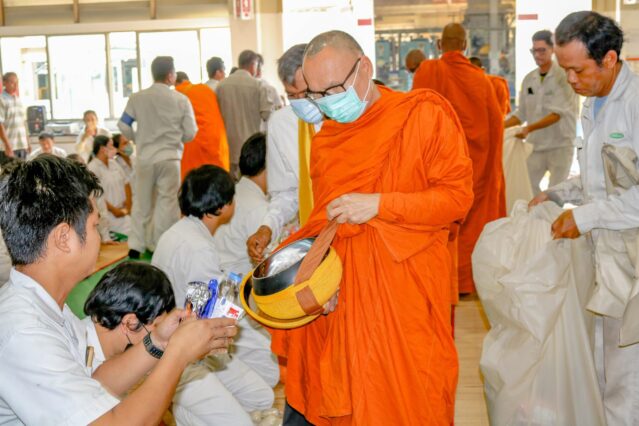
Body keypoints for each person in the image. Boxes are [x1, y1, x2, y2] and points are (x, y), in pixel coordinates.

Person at [270, 30, 473, 425]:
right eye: (317, 94)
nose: (328, 102)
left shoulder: (422, 114)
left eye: (334, 89)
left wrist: (380, 204)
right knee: (355, 400)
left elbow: (455, 199)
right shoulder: (327, 141)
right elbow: (323, 222)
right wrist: (317, 280)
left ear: (364, 67)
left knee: (412, 401)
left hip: (407, 296)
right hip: (347, 301)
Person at [0, 155, 236, 424]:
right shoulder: (23, 331)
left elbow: (96, 382)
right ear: (64, 238)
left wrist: (159, 342)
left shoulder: (45, 306)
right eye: (95, 226)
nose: (100, 237)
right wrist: (178, 354)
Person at [529, 12, 639, 426]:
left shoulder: (635, 105)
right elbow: (600, 178)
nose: (571, 80)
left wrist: (585, 217)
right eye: (566, 71)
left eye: (578, 70)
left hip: (633, 256)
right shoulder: (594, 101)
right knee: (603, 367)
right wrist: (559, 193)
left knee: (627, 377)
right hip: (607, 256)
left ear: (609, 59)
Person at [152, 165, 275, 418]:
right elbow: (210, 312)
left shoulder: (178, 232)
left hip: (183, 342)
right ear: (222, 207)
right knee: (256, 399)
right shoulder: (198, 247)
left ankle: (190, 404)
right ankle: (183, 405)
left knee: (262, 395)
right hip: (183, 354)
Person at [83, 261, 258, 425]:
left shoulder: (96, 337)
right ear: (130, 323)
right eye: (157, 325)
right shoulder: (83, 364)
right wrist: (178, 353)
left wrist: (163, 342)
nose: (161, 331)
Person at [412, 23, 505, 295]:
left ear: (439, 45)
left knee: (438, 222)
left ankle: (440, 281)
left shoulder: (427, 71)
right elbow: (495, 129)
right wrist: (491, 172)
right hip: (475, 168)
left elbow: (415, 120)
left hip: (436, 168)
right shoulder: (482, 81)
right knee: (472, 219)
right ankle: (467, 281)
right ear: (465, 46)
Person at [246, 43, 324, 264]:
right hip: (315, 234)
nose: (301, 101)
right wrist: (267, 227)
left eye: (306, 93)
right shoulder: (281, 124)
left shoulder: (342, 115)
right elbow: (287, 193)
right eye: (292, 96)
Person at [212, 133, 279, 387]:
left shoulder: (234, 194)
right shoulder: (259, 209)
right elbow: (269, 268)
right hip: (235, 297)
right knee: (272, 371)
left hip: (221, 289)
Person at [118, 56, 197, 259]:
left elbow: (123, 124)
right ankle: (159, 245)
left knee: (141, 202)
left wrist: (136, 138)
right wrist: (176, 138)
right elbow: (191, 132)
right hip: (170, 158)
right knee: (167, 203)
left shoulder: (137, 97)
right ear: (170, 75)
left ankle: (136, 246)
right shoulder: (181, 100)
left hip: (145, 158)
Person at [505, 30, 579, 194]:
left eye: (542, 50)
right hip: (536, 144)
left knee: (556, 192)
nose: (537, 55)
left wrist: (529, 128)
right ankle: (539, 212)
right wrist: (499, 126)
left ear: (552, 50)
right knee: (529, 186)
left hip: (560, 144)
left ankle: (550, 211)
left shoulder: (564, 76)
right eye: (534, 51)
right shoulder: (529, 79)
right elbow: (521, 114)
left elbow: (556, 114)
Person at [217, 50, 274, 177]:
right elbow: (267, 115)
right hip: (251, 147)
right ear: (253, 65)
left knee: (232, 182)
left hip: (228, 146)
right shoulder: (258, 85)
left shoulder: (221, 86)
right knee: (249, 182)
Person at [175, 71, 230, 179]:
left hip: (194, 145)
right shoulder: (205, 89)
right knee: (216, 176)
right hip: (216, 140)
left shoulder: (178, 93)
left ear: (176, 83)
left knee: (195, 178)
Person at [87, 135, 132, 236]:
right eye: (111, 146)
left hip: (124, 211)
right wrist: (115, 210)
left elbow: (126, 183)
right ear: (102, 149)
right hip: (109, 215)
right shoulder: (93, 167)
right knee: (130, 234)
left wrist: (129, 206)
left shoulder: (113, 163)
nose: (114, 149)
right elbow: (97, 196)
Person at [0, 73, 30, 160]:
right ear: (4, 83)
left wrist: (27, 142)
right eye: (12, 82)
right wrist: (7, 145)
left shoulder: (18, 100)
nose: (16, 85)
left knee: (23, 169)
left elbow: (23, 123)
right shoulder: (1, 99)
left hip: (22, 146)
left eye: (17, 82)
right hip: (8, 148)